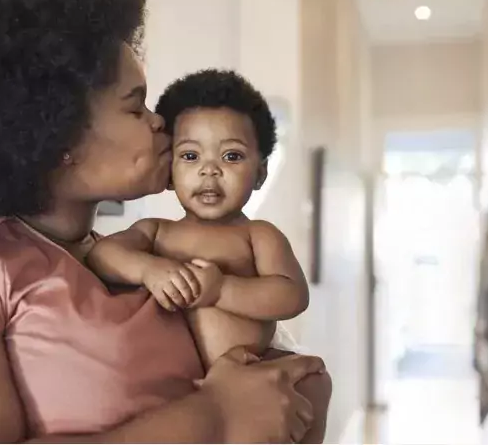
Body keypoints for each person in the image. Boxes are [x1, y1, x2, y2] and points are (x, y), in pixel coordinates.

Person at [0, 0, 331, 443]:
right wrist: (215, 415)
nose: (160, 121)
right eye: (136, 106)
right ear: (61, 133)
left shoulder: (151, 257)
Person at [86, 69, 330, 443]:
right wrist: (149, 268)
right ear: (169, 172)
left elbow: (292, 296)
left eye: (232, 156)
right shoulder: (157, 232)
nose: (209, 169)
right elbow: (104, 254)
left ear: (260, 173)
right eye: (190, 155)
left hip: (253, 368)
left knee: (315, 379)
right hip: (177, 385)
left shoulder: (258, 235)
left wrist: (222, 291)